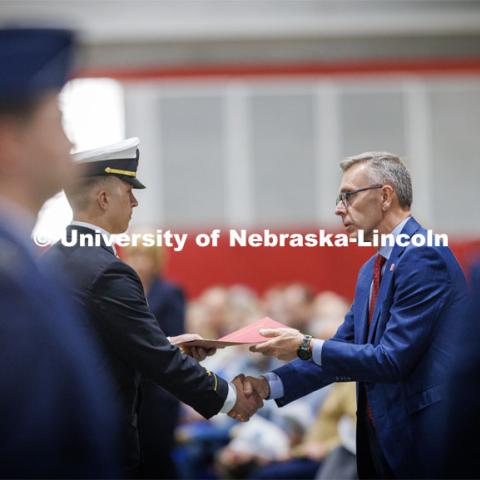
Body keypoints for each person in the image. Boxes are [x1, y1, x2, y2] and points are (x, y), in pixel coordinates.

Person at [239, 152, 469, 478]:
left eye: (348, 195)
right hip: (380, 437)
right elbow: (341, 349)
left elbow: (392, 359)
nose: (338, 208)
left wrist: (304, 344)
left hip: (422, 438)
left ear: (385, 196)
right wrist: (267, 385)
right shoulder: (370, 270)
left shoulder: (423, 256)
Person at [41, 138, 262, 477]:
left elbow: (90, 342)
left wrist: (166, 345)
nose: (134, 201)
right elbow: (156, 359)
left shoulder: (52, 260)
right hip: (99, 439)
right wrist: (228, 397)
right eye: (128, 191)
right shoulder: (106, 269)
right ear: (103, 199)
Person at [0, 28, 118, 477]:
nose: (71, 141)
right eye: (58, 120)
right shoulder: (7, 285)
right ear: (10, 142)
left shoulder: (23, 261)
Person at [124, 242, 186, 478]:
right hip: (134, 390)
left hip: (160, 391)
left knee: (158, 459)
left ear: (157, 260)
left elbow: (174, 337)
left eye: (145, 255)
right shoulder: (125, 289)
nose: (139, 261)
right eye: (135, 255)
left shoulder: (170, 292)